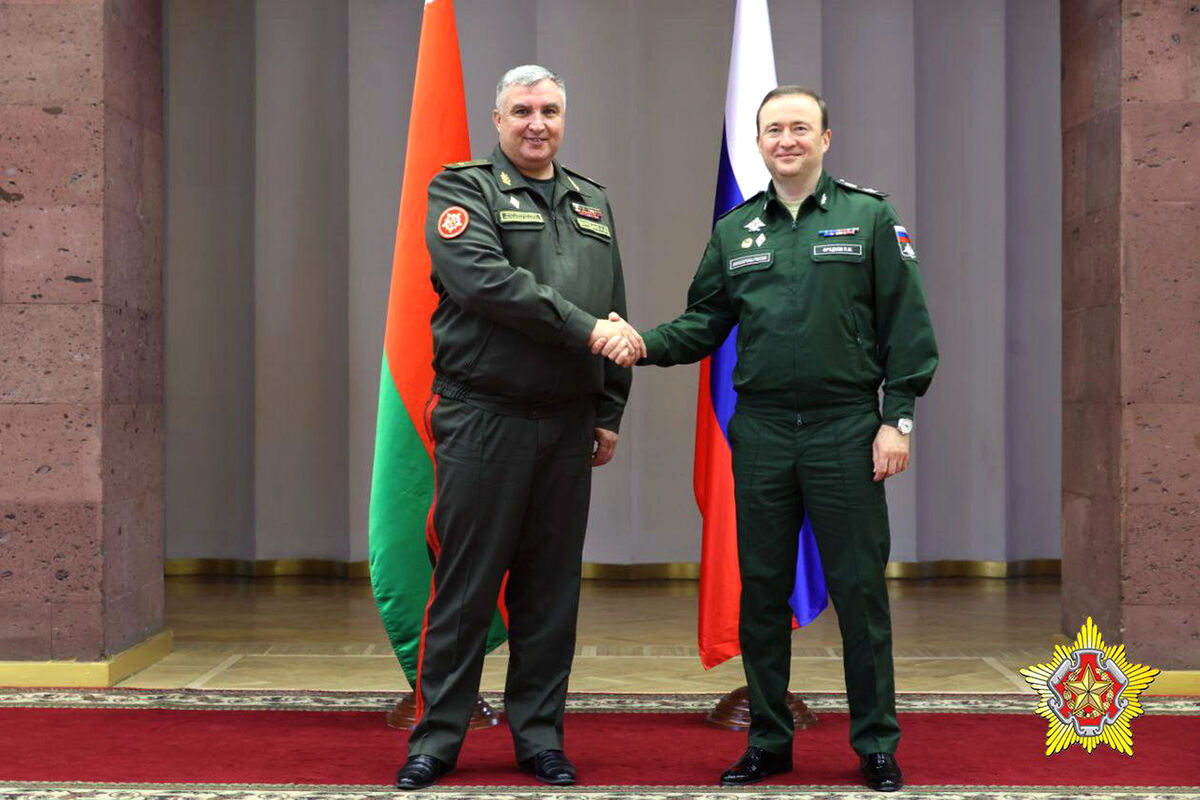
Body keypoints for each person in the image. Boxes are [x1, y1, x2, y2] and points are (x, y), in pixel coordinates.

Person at [600, 86, 937, 792]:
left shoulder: (869, 217)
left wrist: (897, 418)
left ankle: (876, 743)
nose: (787, 139)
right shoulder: (736, 231)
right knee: (761, 593)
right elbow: (703, 323)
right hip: (762, 434)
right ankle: (768, 741)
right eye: (774, 129)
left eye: (800, 128)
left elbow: (907, 325)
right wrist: (643, 343)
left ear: (825, 138)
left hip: (847, 428)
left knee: (860, 594)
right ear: (757, 143)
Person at [395, 64, 644, 791]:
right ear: (498, 120)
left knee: (550, 592)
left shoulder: (592, 200)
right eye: (524, 110)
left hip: (567, 423)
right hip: (484, 416)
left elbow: (614, 304)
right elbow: (485, 283)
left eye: (550, 111)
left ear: (564, 119)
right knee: (465, 587)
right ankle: (437, 740)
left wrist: (609, 408)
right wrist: (585, 330)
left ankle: (539, 738)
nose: (538, 123)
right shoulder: (463, 190)